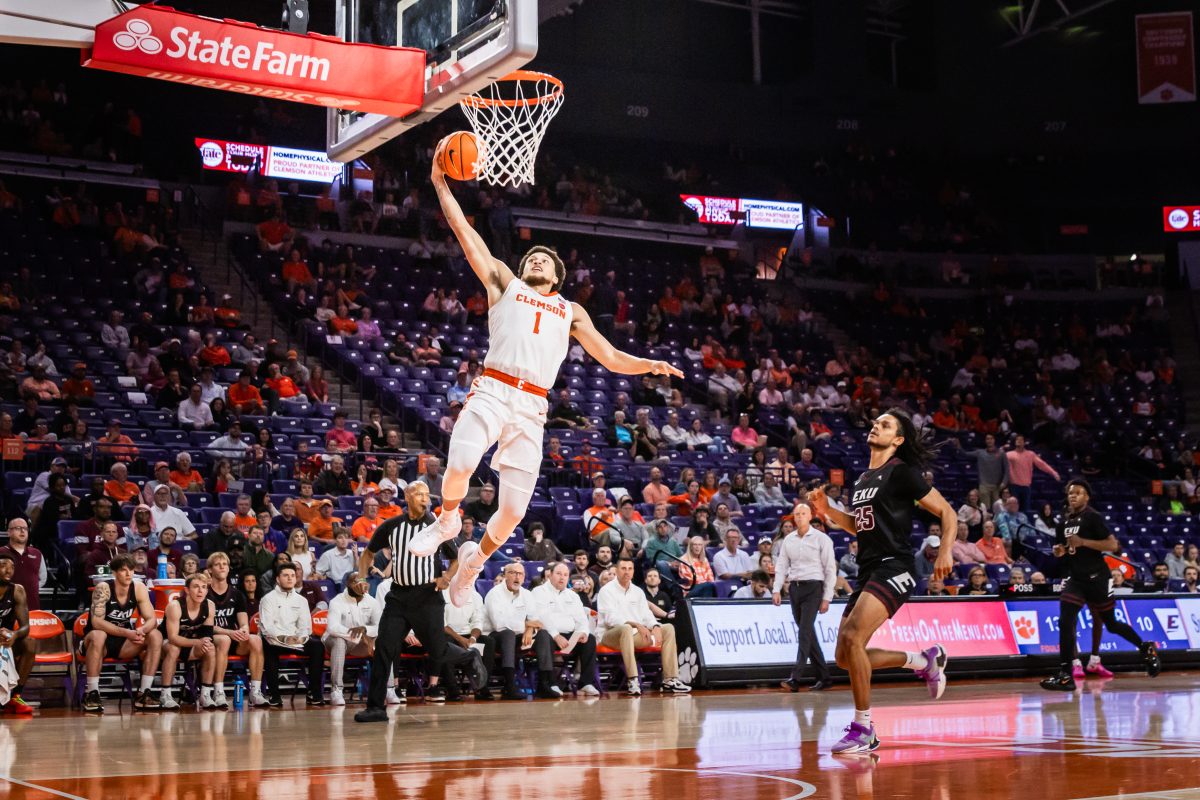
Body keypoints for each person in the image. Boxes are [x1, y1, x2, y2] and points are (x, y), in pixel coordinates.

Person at [406, 143, 682, 615]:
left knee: (512, 513)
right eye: (530, 256)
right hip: (493, 388)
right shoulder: (503, 284)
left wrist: (649, 365)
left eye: (544, 260)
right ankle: (447, 519)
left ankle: (473, 565)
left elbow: (612, 357)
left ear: (557, 275)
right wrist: (439, 183)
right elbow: (464, 231)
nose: (535, 260)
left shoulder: (569, 310)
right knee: (460, 460)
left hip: (532, 407)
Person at [808, 408, 956, 754]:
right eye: (876, 422)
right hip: (869, 567)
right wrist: (827, 510)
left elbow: (947, 512)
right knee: (845, 656)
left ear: (898, 439)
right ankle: (922, 661)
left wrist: (946, 550)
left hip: (896, 565)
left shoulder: (902, 473)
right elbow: (859, 526)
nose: (877, 425)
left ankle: (864, 729)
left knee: (853, 636)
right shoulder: (862, 479)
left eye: (886, 425)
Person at [1039, 479, 1161, 691]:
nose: (1073, 496)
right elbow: (1066, 552)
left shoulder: (1093, 518)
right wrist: (1061, 552)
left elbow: (1113, 545)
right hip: (1076, 580)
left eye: (1078, 492)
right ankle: (1065, 675)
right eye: (1070, 493)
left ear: (1087, 497)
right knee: (1065, 621)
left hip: (1098, 579)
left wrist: (1084, 542)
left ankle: (1145, 648)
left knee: (1111, 624)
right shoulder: (1063, 525)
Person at [355, 482, 460, 723]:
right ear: (407, 496)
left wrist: (446, 578)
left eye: (426, 495)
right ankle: (375, 708)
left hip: (428, 597)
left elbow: (455, 560)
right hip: (398, 596)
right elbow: (368, 553)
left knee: (437, 650)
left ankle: (470, 657)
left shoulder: (437, 528)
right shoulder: (392, 526)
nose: (425, 498)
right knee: (384, 648)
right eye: (419, 494)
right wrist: (362, 578)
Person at [81, 554, 163, 712]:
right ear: (114, 573)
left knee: (155, 635)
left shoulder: (138, 588)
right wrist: (128, 633)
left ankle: (143, 693)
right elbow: (96, 622)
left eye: (131, 570)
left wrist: (141, 630)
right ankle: (91, 693)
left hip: (123, 642)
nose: (128, 574)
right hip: (96, 641)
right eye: (123, 570)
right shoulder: (103, 588)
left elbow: (151, 619)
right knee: (99, 635)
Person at [596, 558, 691, 695]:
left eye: (630, 569)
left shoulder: (638, 592)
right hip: (610, 635)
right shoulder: (606, 591)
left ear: (634, 572)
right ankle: (633, 679)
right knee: (626, 629)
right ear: (616, 571)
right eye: (623, 569)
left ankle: (670, 679)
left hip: (635, 635)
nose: (626, 572)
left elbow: (647, 614)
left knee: (668, 628)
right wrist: (636, 624)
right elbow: (611, 619)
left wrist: (656, 626)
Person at [773, 503, 836, 692]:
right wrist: (776, 589)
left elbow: (830, 569)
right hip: (795, 588)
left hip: (814, 588)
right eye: (797, 514)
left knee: (804, 632)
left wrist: (827, 597)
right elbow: (782, 565)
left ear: (810, 516)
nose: (799, 517)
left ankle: (795, 677)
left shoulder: (821, 539)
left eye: (803, 514)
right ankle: (824, 677)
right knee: (807, 633)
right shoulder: (789, 540)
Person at [205, 551, 269, 708]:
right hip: (210, 638)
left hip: (233, 637)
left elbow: (243, 622)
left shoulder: (237, 594)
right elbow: (206, 625)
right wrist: (230, 632)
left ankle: (255, 692)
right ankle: (218, 692)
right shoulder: (204, 592)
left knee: (255, 639)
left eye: (225, 564)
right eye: (217, 564)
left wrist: (244, 630)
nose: (222, 567)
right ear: (210, 570)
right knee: (224, 640)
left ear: (228, 569)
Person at [258, 563, 327, 706]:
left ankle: (314, 693)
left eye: (292, 576)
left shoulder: (301, 600)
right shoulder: (268, 599)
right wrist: (284, 638)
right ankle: (274, 695)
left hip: (296, 640)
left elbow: (306, 626)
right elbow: (267, 627)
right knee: (268, 647)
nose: (290, 578)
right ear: (278, 579)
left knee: (317, 646)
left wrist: (300, 637)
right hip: (275, 640)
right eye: (286, 575)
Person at [530, 561, 600, 696]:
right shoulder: (538, 592)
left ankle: (586, 683)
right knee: (544, 637)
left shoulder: (572, 595)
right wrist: (556, 635)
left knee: (590, 639)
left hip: (569, 637)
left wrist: (583, 633)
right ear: (550, 575)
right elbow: (542, 618)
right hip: (548, 636)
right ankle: (551, 683)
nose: (562, 577)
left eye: (565, 575)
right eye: (558, 574)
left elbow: (581, 619)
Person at [482, 562, 544, 699]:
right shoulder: (495, 594)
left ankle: (546, 683)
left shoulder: (527, 594)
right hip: (493, 637)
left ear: (524, 577)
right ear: (505, 576)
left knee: (543, 635)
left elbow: (537, 620)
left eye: (520, 574)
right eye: (513, 573)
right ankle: (510, 685)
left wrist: (529, 629)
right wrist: (527, 624)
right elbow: (500, 624)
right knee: (508, 633)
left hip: (517, 636)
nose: (517, 577)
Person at [158, 573, 218, 710]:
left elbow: (207, 634)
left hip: (190, 643)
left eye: (204, 587)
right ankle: (165, 694)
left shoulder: (210, 605)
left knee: (210, 648)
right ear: (186, 590)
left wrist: (204, 642)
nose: (200, 591)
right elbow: (173, 637)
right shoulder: (175, 606)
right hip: (166, 642)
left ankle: (205, 694)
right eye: (196, 587)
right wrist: (197, 642)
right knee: (174, 649)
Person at [323, 572, 382, 706]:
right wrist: (359, 635)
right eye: (355, 582)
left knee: (384, 643)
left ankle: (389, 689)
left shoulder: (372, 602)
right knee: (339, 642)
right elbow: (333, 628)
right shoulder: (336, 601)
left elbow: (380, 626)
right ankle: (337, 690)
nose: (360, 584)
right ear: (347, 584)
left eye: (362, 580)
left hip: (362, 643)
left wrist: (365, 630)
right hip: (335, 640)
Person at [0, 552, 35, 714]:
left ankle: (15, 696)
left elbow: (25, 627)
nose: (8, 571)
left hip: (6, 642)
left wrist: (14, 635)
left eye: (12, 567)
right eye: (3, 566)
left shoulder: (17, 591)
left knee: (30, 642)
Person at [0, 519, 45, 613]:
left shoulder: (37, 553)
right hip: (5, 609)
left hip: (32, 608)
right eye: (18, 528)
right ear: (9, 532)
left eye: (25, 528)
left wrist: (30, 588)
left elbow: (43, 578)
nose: (22, 531)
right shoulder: (1, 552)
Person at [1005, 434, 1060, 511]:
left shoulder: (1031, 454)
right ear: (1014, 442)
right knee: (1013, 509)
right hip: (1014, 486)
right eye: (1017, 440)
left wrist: (1054, 473)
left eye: (1021, 440)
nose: (1019, 441)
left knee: (1026, 510)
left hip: (1026, 487)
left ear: (1024, 442)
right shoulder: (1009, 455)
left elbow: (1042, 464)